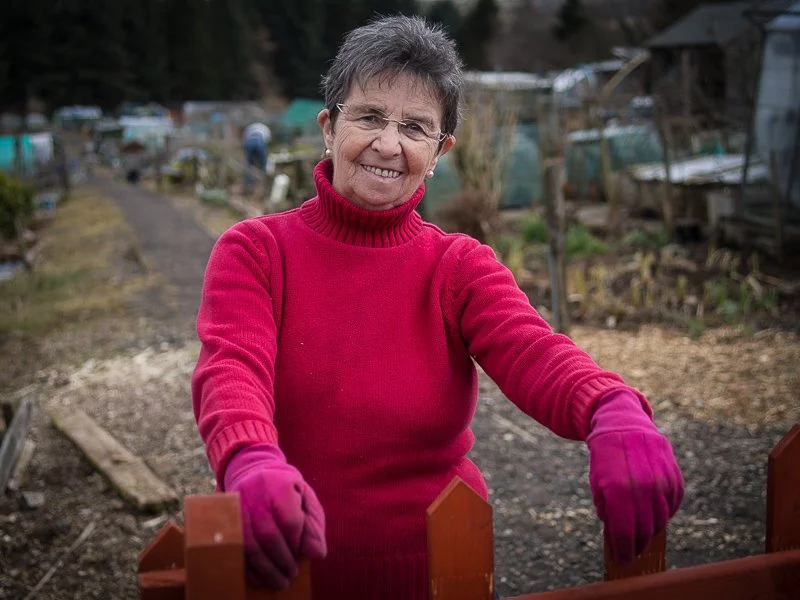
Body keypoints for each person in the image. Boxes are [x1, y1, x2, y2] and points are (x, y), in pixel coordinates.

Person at [192, 15, 684, 600]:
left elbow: (535, 350)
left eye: (416, 127)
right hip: (292, 571)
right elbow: (231, 368)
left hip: (444, 572)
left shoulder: (457, 266)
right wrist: (249, 457)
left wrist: (611, 407)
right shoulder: (257, 251)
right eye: (369, 116)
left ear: (440, 150)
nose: (388, 143)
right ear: (328, 127)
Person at [242, 121, 271, 186]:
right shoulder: (264, 127)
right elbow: (267, 141)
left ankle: (249, 182)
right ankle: (265, 181)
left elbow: (245, 138)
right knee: (263, 163)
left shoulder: (250, 126)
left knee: (249, 164)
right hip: (260, 142)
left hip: (249, 142)